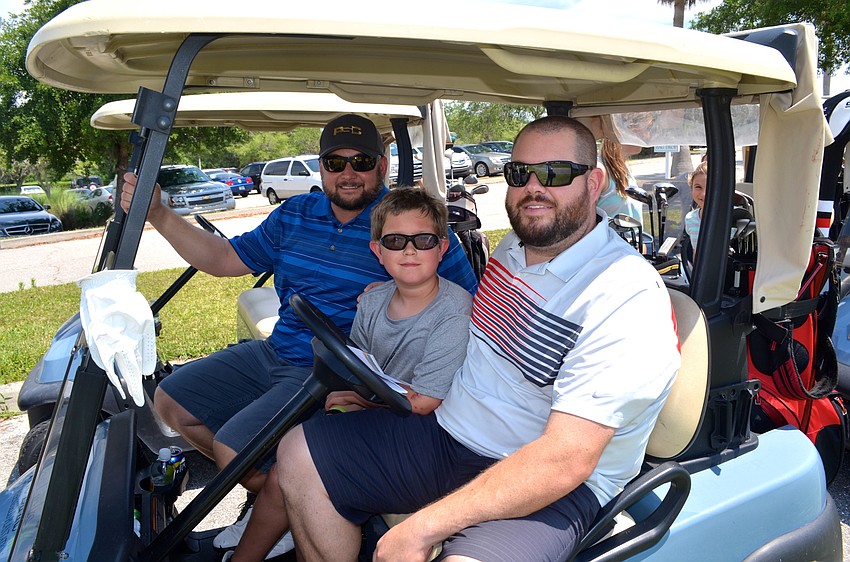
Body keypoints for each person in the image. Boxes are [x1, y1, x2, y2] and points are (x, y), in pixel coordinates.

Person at [226, 115, 681, 562]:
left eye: (555, 173)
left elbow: (566, 460)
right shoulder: (514, 249)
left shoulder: (624, 294)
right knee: (299, 451)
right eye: (519, 173)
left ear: (594, 182)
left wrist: (422, 527)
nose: (533, 188)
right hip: (450, 435)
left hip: (551, 483)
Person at [118, 114, 477, 536]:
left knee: (232, 449)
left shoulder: (408, 227)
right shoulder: (296, 214)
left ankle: (287, 508)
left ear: (381, 166)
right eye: (335, 162)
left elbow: (471, 303)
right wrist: (159, 214)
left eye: (361, 162)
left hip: (335, 369)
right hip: (278, 347)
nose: (348, 174)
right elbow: (223, 259)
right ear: (321, 166)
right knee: (171, 401)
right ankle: (285, 493)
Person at [225, 186, 474, 560]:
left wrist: (363, 402)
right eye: (395, 241)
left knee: (301, 453)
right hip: (388, 409)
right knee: (282, 469)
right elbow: (359, 363)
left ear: (441, 248)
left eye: (422, 241)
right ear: (377, 250)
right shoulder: (373, 301)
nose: (409, 250)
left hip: (429, 429)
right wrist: (347, 397)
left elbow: (425, 402)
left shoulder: (453, 310)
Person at [596, 138, 644, 226]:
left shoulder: (624, 166)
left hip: (634, 238)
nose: (647, 135)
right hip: (612, 239)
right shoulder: (601, 169)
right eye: (646, 128)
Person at [684, 160, 707, 250]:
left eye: (710, 187)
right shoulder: (690, 219)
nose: (703, 194)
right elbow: (696, 252)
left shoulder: (732, 217)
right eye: (698, 187)